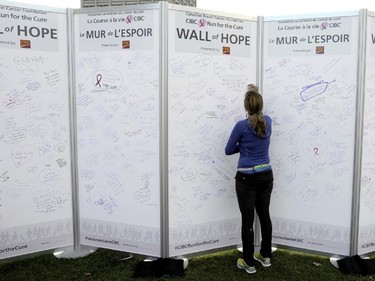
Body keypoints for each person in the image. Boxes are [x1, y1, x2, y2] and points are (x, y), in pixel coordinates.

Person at [225, 88, 273, 274]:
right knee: (265, 216)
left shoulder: (241, 126)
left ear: (246, 106)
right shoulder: (267, 122)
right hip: (266, 175)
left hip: (246, 178)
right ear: (261, 105)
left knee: (248, 220)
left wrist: (243, 146)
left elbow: (228, 150)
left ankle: (249, 262)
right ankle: (266, 256)